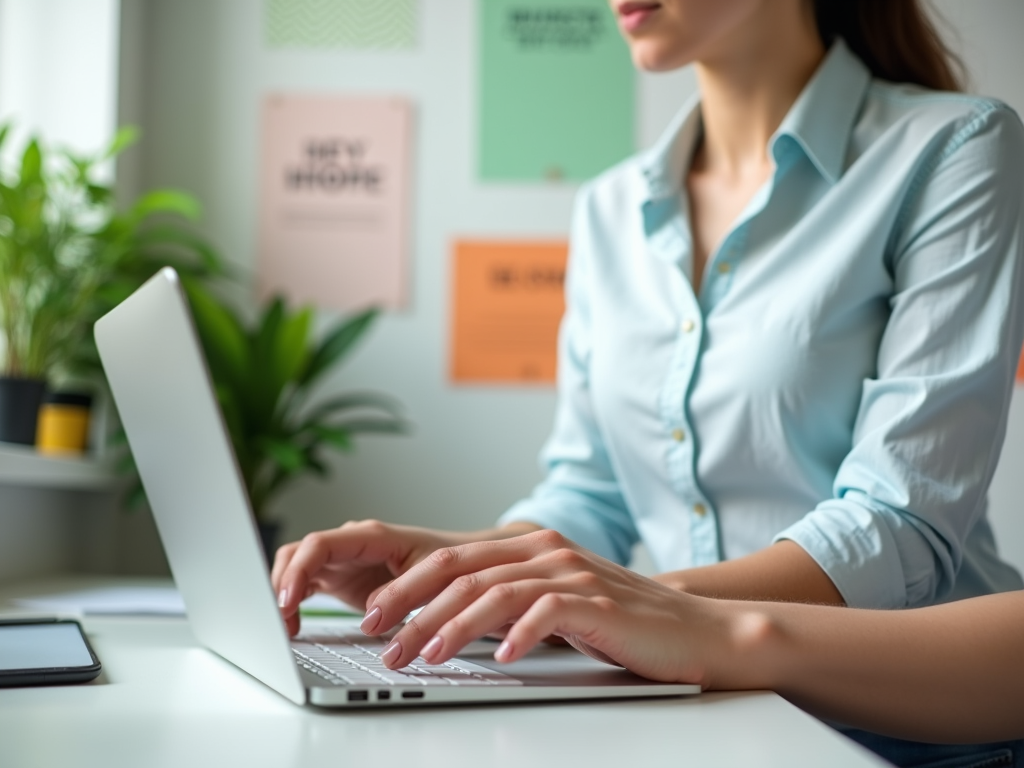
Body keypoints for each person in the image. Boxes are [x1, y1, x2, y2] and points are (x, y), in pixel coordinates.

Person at [273, 0, 1024, 763]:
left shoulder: (954, 148)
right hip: (702, 721)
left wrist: (643, 608)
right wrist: (446, 566)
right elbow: (589, 498)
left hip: (909, 735)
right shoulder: (611, 208)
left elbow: (900, 526)